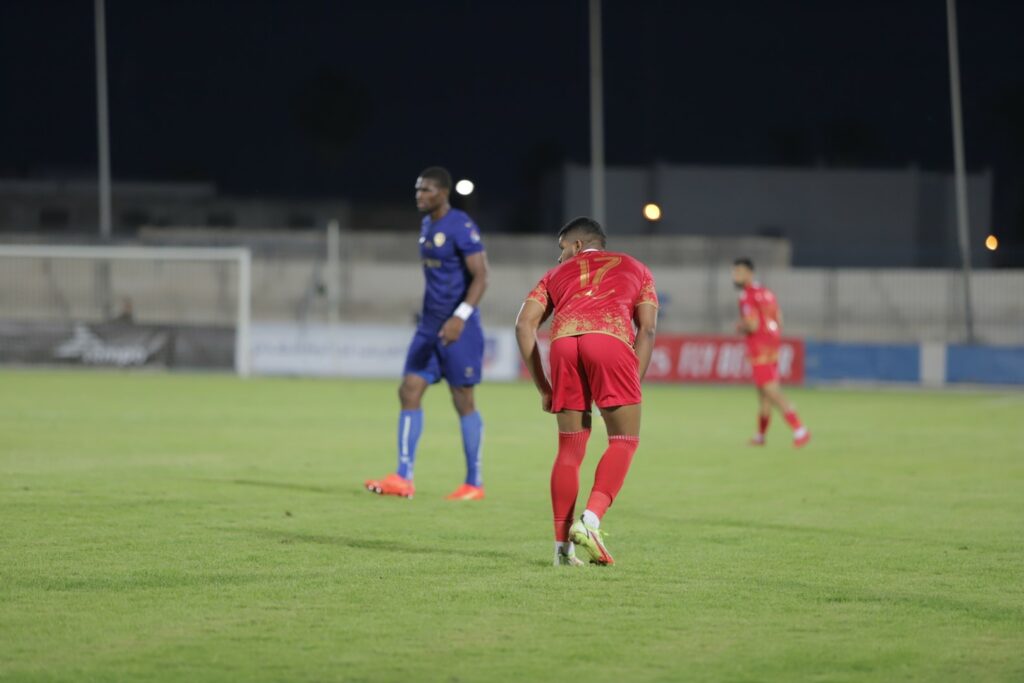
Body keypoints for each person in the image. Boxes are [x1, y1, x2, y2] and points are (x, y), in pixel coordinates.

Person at [515, 217, 658, 566]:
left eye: (562, 248)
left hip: (564, 343)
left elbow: (524, 325)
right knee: (624, 440)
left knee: (569, 450)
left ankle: (562, 552)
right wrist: (632, 380)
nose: (560, 256)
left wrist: (543, 387)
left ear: (577, 245)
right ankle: (590, 520)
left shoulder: (553, 275)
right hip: (609, 339)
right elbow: (647, 329)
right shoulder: (637, 268)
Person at [365, 167, 489, 500]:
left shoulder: (461, 225)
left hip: (459, 328)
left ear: (443, 193)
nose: (419, 195)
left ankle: (474, 483)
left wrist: (460, 317)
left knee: (463, 400)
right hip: (429, 327)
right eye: (418, 189)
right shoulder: (426, 225)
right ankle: (403, 477)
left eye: (427, 190)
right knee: (409, 389)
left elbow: (482, 276)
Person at [731, 257, 810, 448]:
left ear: (749, 273)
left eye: (739, 272)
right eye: (734, 272)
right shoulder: (766, 292)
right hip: (773, 346)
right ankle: (760, 436)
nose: (735, 276)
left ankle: (799, 429)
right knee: (764, 394)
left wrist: (741, 326)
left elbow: (752, 324)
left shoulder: (746, 296)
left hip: (759, 350)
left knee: (771, 391)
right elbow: (779, 319)